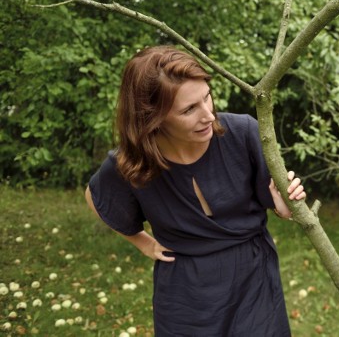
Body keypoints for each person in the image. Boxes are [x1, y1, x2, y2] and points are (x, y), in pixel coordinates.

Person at [85, 45, 306, 336]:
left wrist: (285, 203)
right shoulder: (133, 162)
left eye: (207, 97)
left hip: (252, 278)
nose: (209, 115)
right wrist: (144, 243)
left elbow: (284, 208)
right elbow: (95, 197)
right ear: (152, 117)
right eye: (189, 109)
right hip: (184, 292)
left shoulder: (244, 133)